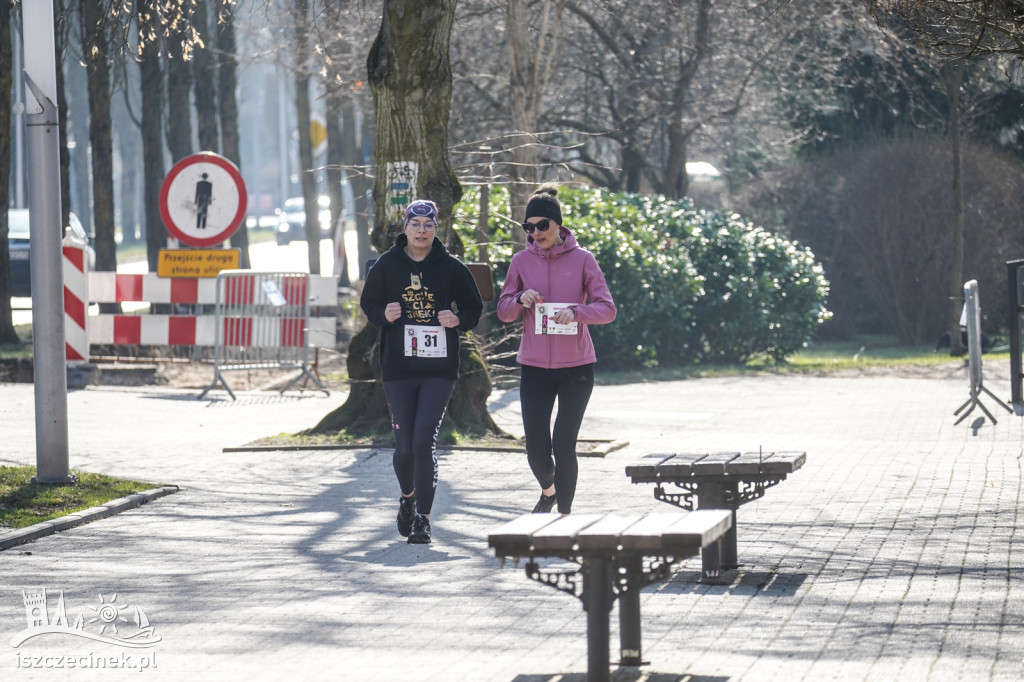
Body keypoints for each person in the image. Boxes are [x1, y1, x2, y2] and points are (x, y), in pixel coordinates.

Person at [361, 199, 484, 544]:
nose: (421, 231)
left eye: (428, 225)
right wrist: (383, 314)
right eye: (415, 224)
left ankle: (424, 521)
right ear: (405, 227)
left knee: (422, 441)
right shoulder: (387, 265)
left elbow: (474, 307)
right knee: (403, 448)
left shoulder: (451, 267)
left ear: (436, 228)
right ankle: (407, 499)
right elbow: (368, 304)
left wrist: (457, 319)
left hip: (438, 368)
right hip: (398, 366)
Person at [497, 184, 616, 514]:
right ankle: (549, 492)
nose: (536, 233)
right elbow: (504, 312)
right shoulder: (520, 261)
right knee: (536, 449)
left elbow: (607, 308)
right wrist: (519, 299)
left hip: (576, 368)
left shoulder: (583, 260)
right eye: (529, 227)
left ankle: (564, 518)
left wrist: (578, 313)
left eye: (542, 226)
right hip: (534, 367)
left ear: (558, 225)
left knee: (564, 444)